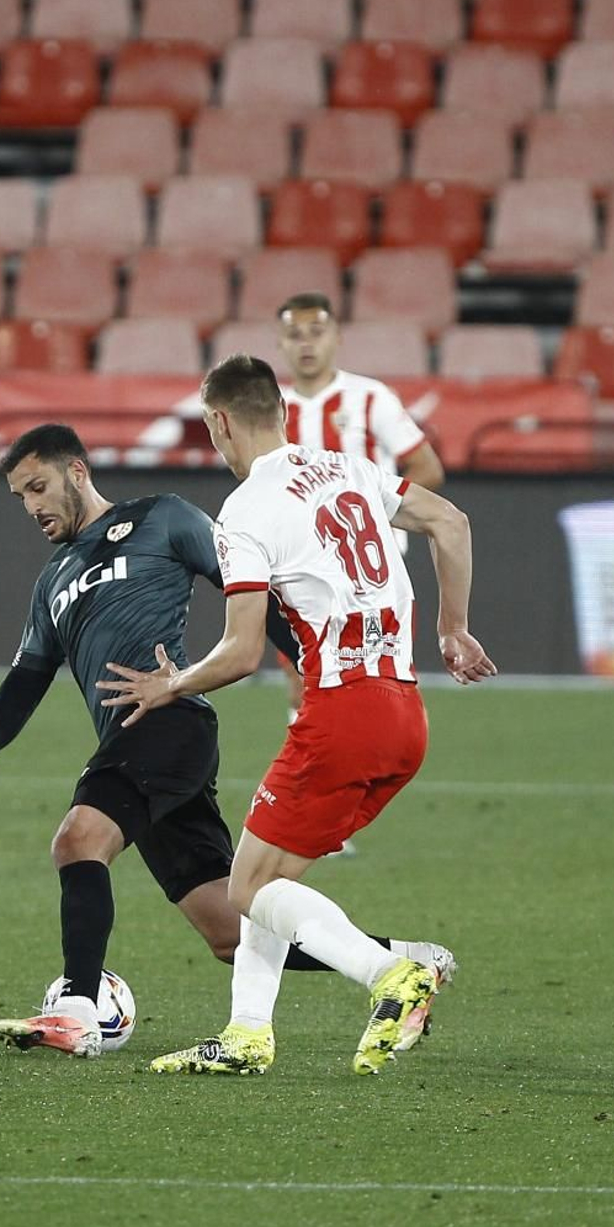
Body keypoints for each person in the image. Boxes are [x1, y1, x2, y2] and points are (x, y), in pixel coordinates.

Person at [0, 422, 451, 1061]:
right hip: (133, 741)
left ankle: (76, 1008)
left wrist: (309, 669)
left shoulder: (162, 519)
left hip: (170, 724)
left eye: (39, 487)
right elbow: (29, 672)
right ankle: (401, 961)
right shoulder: (53, 580)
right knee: (230, 929)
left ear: (78, 471)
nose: (33, 507)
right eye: (21, 497)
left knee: (78, 840)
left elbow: (251, 589)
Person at [99, 357, 496, 1076]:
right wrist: (453, 629)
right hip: (404, 713)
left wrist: (172, 684)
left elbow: (243, 650)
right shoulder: (348, 467)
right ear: (281, 408)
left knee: (247, 887)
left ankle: (391, 973)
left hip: (341, 713)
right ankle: (248, 1034)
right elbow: (451, 520)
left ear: (220, 421)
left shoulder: (245, 509)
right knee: (263, 874)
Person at [274, 292, 446, 721]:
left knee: (379, 683)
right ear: (280, 343)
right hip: (300, 571)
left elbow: (427, 468)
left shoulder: (370, 398)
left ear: (336, 337)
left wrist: (363, 511)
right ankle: (315, 781)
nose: (306, 344)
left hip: (371, 572)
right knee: (306, 686)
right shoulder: (271, 409)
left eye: (316, 333)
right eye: (295, 335)